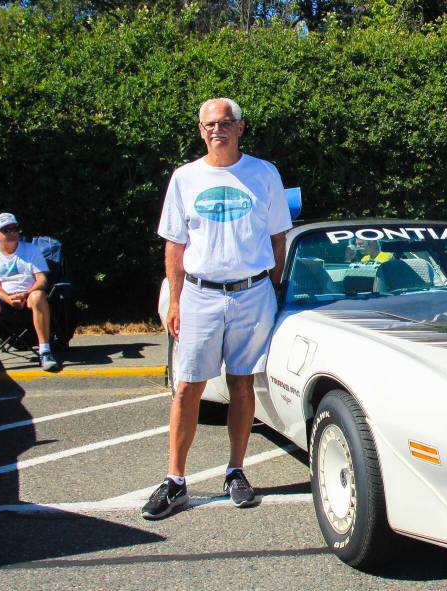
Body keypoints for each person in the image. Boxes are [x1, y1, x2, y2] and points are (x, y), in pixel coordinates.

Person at [142, 98, 292, 520]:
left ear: (241, 128)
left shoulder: (264, 174)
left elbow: (279, 238)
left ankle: (236, 471)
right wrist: (175, 300)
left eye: (225, 123)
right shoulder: (185, 178)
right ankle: (175, 481)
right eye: (209, 125)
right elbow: (175, 245)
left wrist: (274, 290)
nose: (217, 130)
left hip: (252, 294)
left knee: (242, 384)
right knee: (188, 387)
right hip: (200, 295)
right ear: (200, 130)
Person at [0, 213, 61, 375]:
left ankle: (45, 352)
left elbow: (42, 279)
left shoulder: (31, 250)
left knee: (39, 296)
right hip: (3, 298)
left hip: (29, 297)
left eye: (15, 228)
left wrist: (26, 293)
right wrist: (9, 299)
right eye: (6, 230)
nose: (12, 232)